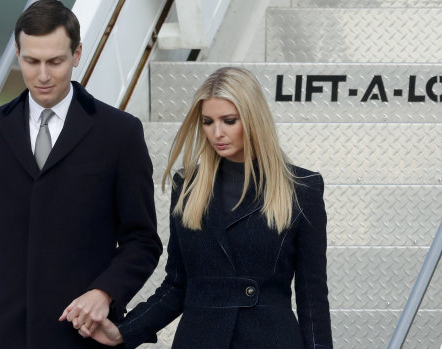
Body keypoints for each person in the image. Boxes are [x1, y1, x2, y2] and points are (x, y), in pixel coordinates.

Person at [0, 1, 162, 348]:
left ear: (77, 54)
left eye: (55, 61)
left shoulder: (119, 133)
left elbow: (142, 241)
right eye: (31, 61)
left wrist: (105, 292)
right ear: (17, 53)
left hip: (77, 338)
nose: (43, 75)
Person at [74, 67, 333, 348]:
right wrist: (125, 331)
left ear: (254, 119)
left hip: (270, 339)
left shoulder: (301, 188)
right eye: (208, 122)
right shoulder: (187, 186)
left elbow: (312, 298)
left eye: (229, 121)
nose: (217, 133)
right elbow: (176, 286)